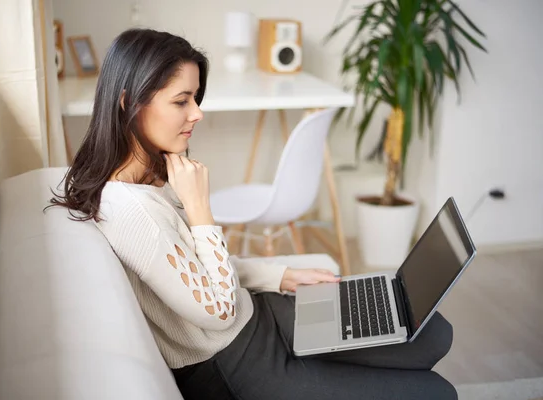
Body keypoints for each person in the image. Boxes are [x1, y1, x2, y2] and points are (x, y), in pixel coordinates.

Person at [48, 28, 457, 400]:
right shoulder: (132, 213)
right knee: (437, 393)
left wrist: (279, 276)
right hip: (236, 365)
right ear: (127, 102)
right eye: (181, 101)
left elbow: (198, 270)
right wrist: (200, 209)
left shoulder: (152, 171)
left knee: (434, 333)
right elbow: (218, 310)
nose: (197, 114)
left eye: (195, 97)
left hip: (262, 315)